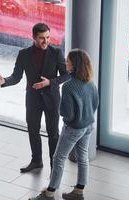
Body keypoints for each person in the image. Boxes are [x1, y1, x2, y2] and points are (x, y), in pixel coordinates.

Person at [0, 23, 69, 173]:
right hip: (33, 100)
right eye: (41, 38)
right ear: (33, 37)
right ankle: (36, 161)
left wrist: (50, 82)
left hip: (52, 99)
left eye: (48, 37)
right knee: (33, 131)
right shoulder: (24, 54)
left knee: (53, 133)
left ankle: (55, 167)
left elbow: (66, 75)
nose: (46, 41)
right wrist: (4, 81)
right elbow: (16, 77)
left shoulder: (56, 52)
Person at [29, 49, 99, 200]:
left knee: (58, 158)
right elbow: (95, 104)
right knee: (83, 156)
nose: (66, 63)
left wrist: (66, 117)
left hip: (73, 128)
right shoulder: (91, 83)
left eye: (68, 61)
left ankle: (49, 193)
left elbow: (66, 113)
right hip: (88, 126)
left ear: (74, 65)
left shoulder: (68, 86)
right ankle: (79, 191)